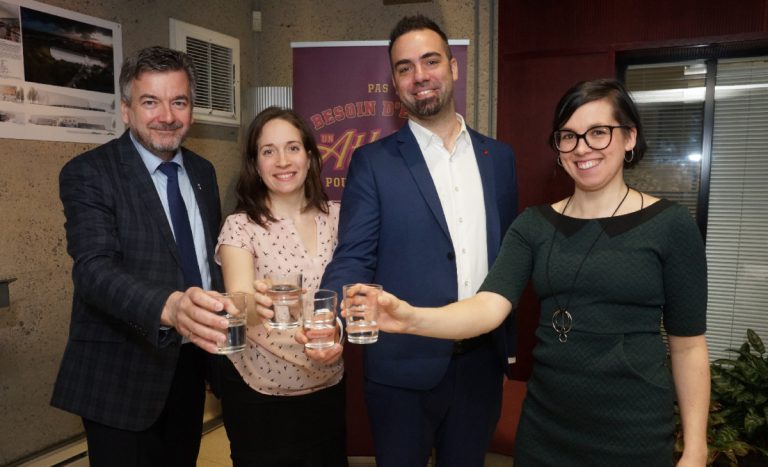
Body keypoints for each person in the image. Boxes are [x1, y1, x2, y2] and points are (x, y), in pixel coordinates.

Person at [364, 79, 711, 467]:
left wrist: (695, 447)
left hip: (635, 431)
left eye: (599, 133)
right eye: (569, 136)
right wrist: (410, 318)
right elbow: (487, 308)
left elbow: (688, 346)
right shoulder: (534, 225)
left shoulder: (671, 225)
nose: (582, 148)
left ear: (629, 137)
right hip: (546, 430)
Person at [319, 14, 519, 467]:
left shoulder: (499, 158)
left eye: (430, 61)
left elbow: (509, 260)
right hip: (400, 371)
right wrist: (327, 314)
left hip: (481, 367)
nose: (419, 76)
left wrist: (506, 353)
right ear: (394, 82)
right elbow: (352, 257)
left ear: (453, 67)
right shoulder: (372, 162)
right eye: (405, 67)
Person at [51, 46, 231, 467]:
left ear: (192, 109)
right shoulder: (89, 173)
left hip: (189, 366)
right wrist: (169, 306)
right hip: (120, 375)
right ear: (127, 110)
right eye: (150, 101)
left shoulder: (203, 172)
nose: (166, 115)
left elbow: (206, 263)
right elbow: (94, 271)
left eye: (179, 101)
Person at [215, 106, 348, 466]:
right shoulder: (240, 225)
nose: (282, 160)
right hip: (260, 393)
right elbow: (238, 300)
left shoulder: (340, 216)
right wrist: (253, 304)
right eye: (268, 151)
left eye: (292, 147)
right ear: (255, 164)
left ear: (309, 155)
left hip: (327, 384)